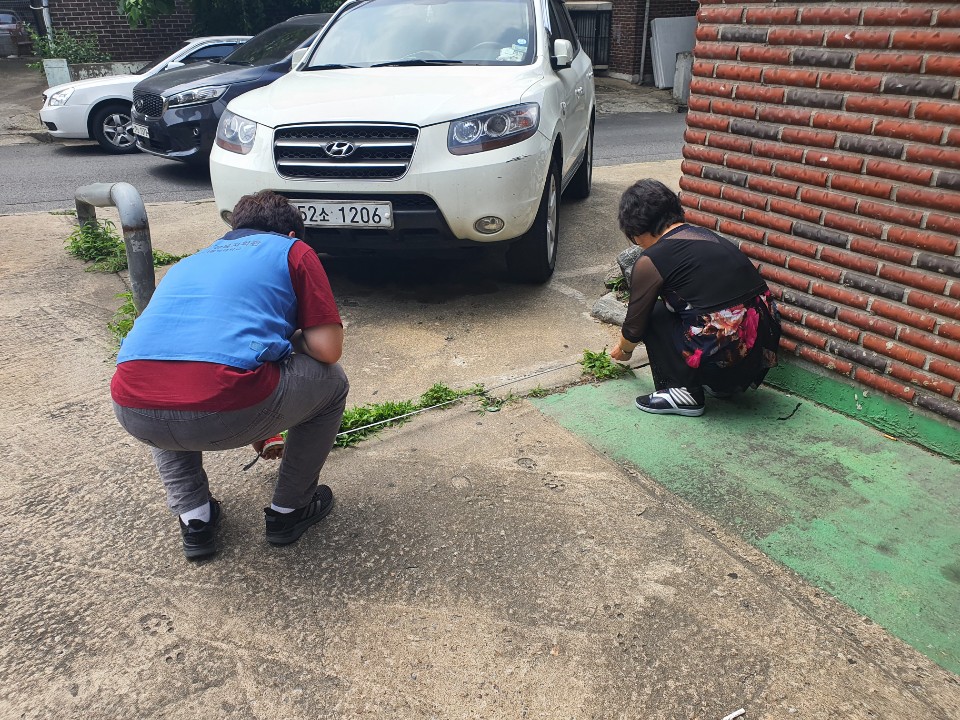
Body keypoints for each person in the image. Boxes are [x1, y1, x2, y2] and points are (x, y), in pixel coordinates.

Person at [111, 191, 349, 559]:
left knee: (161, 381)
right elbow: (327, 348)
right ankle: (291, 510)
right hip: (225, 405)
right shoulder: (293, 250)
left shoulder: (191, 261)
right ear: (291, 234)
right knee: (332, 384)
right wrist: (285, 341)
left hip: (132, 407)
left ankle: (195, 518)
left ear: (234, 229)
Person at [609, 179, 781, 417]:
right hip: (758, 356)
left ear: (637, 228)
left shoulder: (653, 258)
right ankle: (719, 387)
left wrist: (624, 350)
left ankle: (684, 393)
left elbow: (634, 327)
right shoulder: (706, 236)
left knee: (655, 313)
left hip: (723, 358)